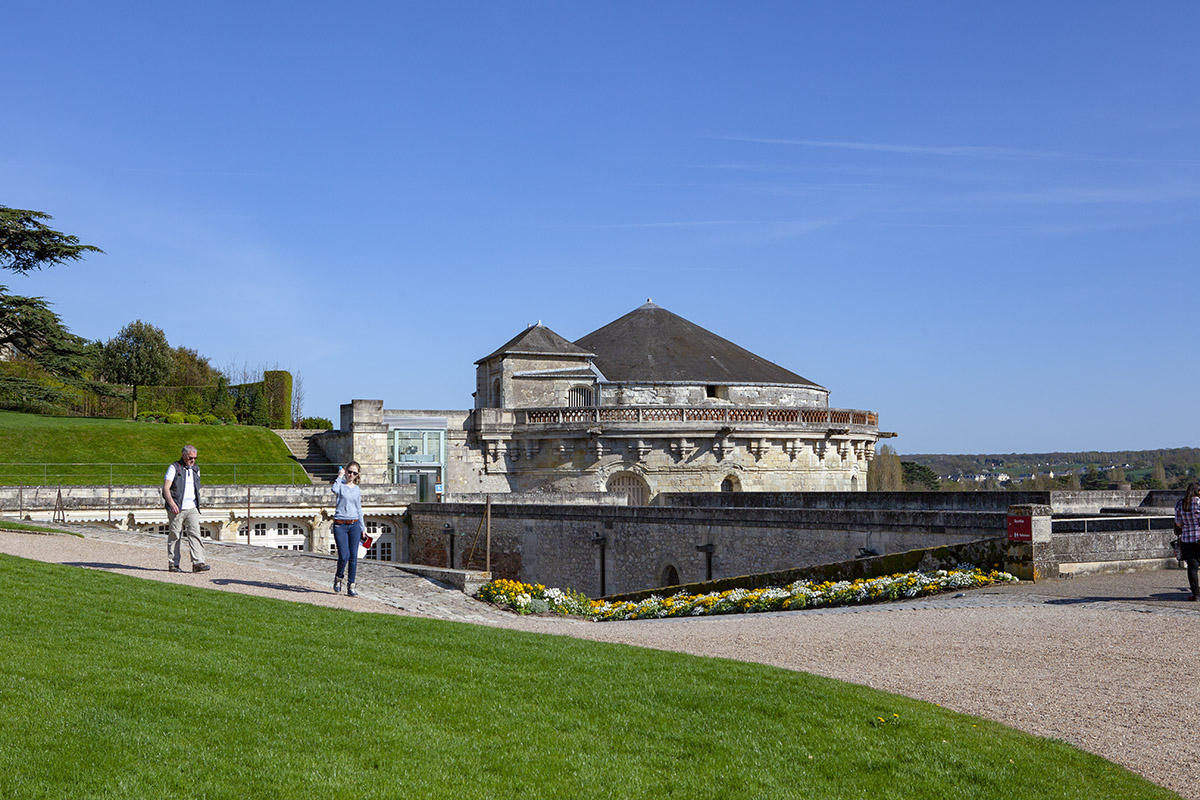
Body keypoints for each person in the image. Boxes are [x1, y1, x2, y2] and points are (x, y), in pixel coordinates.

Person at [163, 444, 209, 573]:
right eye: (190, 458)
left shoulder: (196, 469)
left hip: (192, 507)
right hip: (177, 507)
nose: (193, 460)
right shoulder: (174, 468)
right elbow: (166, 488)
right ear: (183, 456)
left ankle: (198, 562)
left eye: (195, 458)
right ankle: (173, 563)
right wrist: (172, 503)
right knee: (175, 535)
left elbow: (196, 487)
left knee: (195, 534)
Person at [330, 461, 364, 597]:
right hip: (340, 524)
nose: (351, 475)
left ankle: (351, 585)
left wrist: (363, 527)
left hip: (354, 523)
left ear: (357, 475)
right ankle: (338, 578)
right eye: (349, 472)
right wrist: (339, 476)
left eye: (354, 473)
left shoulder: (357, 489)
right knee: (344, 555)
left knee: (353, 557)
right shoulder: (341, 486)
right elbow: (334, 490)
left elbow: (359, 509)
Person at [1175, 482, 1200, 600]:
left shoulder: (1180, 504)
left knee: (1192, 568)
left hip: (1187, 540)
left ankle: (1196, 595)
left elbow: (1178, 523)